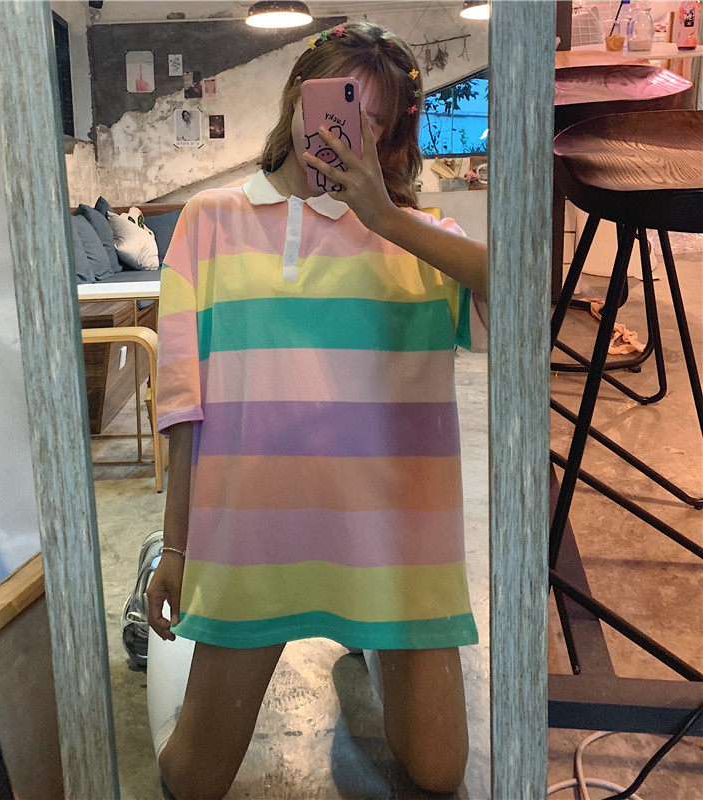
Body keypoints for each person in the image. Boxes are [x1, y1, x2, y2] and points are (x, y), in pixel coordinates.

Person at [148, 21, 488, 800]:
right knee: (192, 782)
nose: (341, 133)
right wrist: (176, 549)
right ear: (298, 100)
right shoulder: (208, 221)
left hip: (397, 549)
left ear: (390, 139)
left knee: (439, 773)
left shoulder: (420, 241)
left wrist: (386, 218)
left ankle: (365, 643)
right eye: (335, 105)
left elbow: (527, 290)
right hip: (250, 541)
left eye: (371, 121)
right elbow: (183, 402)